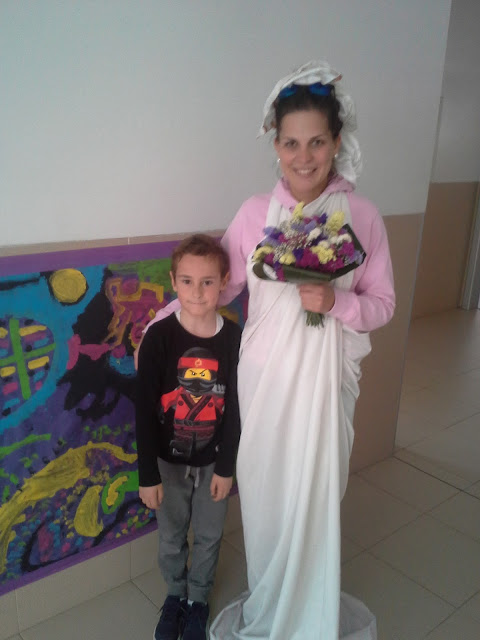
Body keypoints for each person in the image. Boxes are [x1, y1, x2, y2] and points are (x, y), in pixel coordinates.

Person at [140, 60, 395, 639]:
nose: (303, 157)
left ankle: (308, 613)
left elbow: (383, 303)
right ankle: (271, 602)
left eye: (317, 142)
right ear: (275, 145)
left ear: (337, 142)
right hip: (262, 384)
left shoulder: (363, 217)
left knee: (315, 499)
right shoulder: (255, 213)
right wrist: (159, 326)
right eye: (291, 143)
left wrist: (336, 303)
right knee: (264, 502)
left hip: (324, 387)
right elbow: (218, 287)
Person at [135, 234, 241, 640]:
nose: (197, 292)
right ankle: (175, 594)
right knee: (171, 534)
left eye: (208, 282)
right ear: (173, 282)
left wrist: (226, 467)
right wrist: (148, 474)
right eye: (187, 281)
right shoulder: (159, 337)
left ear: (224, 282)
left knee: (210, 535)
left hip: (213, 462)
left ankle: (198, 599)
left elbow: (237, 408)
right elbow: (145, 411)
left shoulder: (234, 339)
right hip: (168, 463)